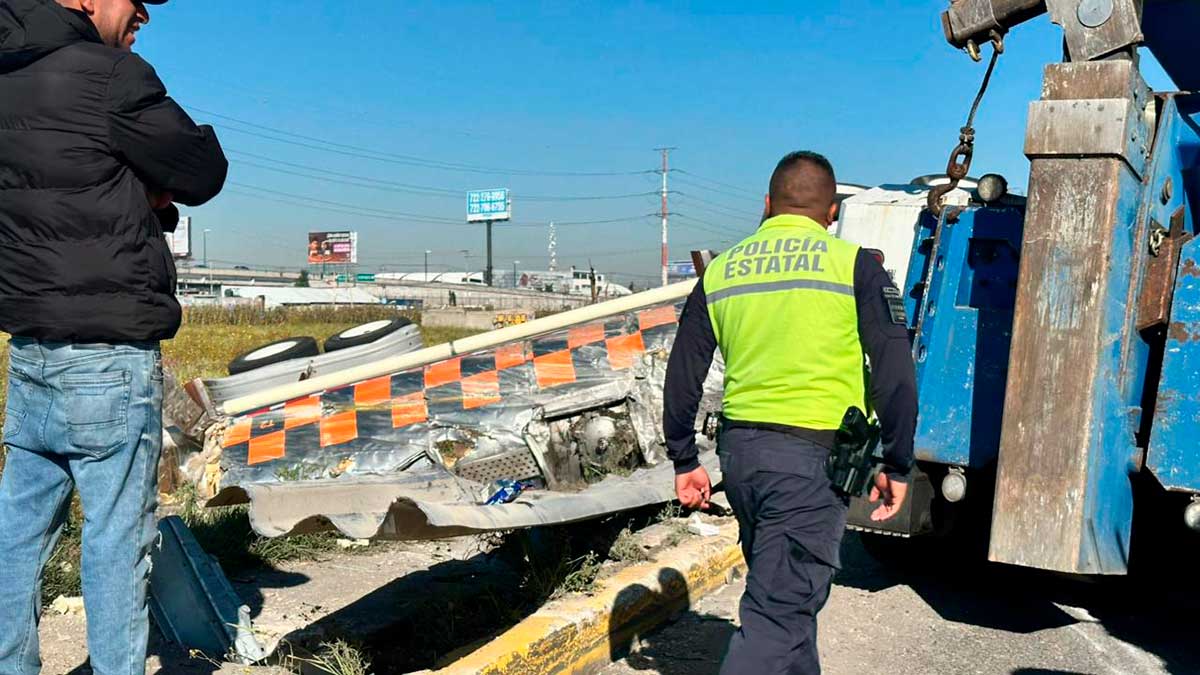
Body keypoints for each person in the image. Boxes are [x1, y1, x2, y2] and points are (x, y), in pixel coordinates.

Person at [0, 1, 228, 673]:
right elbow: (202, 168)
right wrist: (148, 186)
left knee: (16, 538)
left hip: (30, 354)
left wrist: (129, 182)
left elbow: (58, 179)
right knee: (114, 542)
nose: (144, 15)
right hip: (107, 361)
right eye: (136, 0)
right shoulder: (110, 77)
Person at [662, 151, 917, 674]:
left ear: (766, 204)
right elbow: (894, 369)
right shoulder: (853, 265)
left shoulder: (722, 270)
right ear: (832, 212)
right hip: (810, 466)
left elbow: (683, 371)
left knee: (788, 609)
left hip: (742, 460)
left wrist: (684, 458)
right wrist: (898, 463)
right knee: (777, 617)